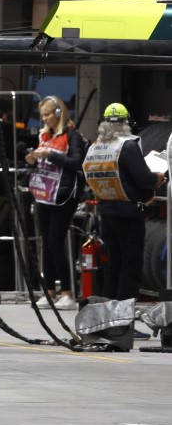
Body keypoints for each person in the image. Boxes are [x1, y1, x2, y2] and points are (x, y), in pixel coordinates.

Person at [83, 102, 164, 301]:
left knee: (112, 265)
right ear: (125, 123)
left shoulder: (96, 146)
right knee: (130, 267)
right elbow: (144, 178)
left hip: (106, 212)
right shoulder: (127, 145)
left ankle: (109, 319)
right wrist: (157, 178)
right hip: (129, 213)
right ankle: (124, 323)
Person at [24, 95, 86, 306]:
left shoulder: (72, 135)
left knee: (55, 242)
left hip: (63, 196)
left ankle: (68, 292)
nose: (44, 119)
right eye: (42, 115)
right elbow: (39, 163)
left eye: (48, 114)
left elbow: (77, 162)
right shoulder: (45, 135)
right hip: (44, 194)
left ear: (58, 113)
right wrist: (32, 159)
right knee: (46, 244)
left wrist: (51, 155)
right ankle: (49, 290)